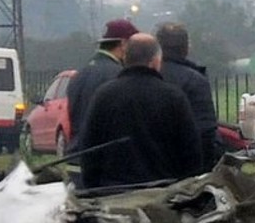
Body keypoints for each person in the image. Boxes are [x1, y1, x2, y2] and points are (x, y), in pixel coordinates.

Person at [75, 34, 202, 189]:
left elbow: (89, 147)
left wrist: (93, 188)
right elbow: (191, 152)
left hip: (112, 194)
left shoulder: (103, 95)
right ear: (155, 61)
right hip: (163, 195)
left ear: (126, 59)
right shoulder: (173, 97)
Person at [154, 22, 219, 171]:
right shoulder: (195, 80)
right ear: (187, 47)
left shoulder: (144, 76)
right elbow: (205, 132)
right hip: (185, 168)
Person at [67, 18, 139, 148]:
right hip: (103, 158)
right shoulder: (119, 75)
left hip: (76, 154)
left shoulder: (79, 74)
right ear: (123, 44)